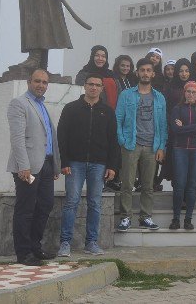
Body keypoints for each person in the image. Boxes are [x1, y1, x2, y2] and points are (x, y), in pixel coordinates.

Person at [57, 74, 120, 257]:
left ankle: (91, 243)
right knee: (71, 202)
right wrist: (64, 161)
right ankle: (65, 243)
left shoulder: (108, 112)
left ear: (101, 88)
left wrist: (112, 166)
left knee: (95, 203)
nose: (93, 87)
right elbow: (62, 136)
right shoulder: (71, 109)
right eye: (90, 84)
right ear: (84, 86)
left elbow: (113, 141)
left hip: (98, 164)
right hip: (74, 164)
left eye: (97, 85)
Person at [6, 69, 60, 266]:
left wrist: (55, 165)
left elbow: (49, 138)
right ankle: (23, 253)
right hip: (27, 168)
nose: (41, 85)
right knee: (25, 209)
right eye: (37, 81)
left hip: (45, 166)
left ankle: (35, 248)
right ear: (29, 82)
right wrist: (24, 166)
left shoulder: (42, 105)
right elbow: (17, 138)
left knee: (45, 205)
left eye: (45, 82)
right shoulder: (19, 103)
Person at [115, 58, 167, 232]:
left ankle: (146, 217)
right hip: (131, 144)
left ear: (153, 73)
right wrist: (122, 141)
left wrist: (161, 147)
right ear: (137, 72)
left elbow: (163, 124)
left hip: (152, 146)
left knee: (148, 185)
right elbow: (118, 120)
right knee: (127, 184)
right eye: (142, 70)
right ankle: (125, 217)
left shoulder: (159, 97)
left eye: (148, 70)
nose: (145, 73)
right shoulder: (127, 95)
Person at [169, 81, 196, 230]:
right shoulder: (177, 109)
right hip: (180, 149)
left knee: (192, 185)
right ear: (184, 93)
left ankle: (188, 219)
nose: (191, 94)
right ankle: (175, 218)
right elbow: (175, 129)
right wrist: (194, 127)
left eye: (194, 92)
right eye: (188, 91)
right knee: (179, 184)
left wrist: (185, 127)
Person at [161, 58, 192, 183]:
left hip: (191, 131)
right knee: (176, 163)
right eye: (181, 71)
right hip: (175, 131)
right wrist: (173, 122)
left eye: (186, 71)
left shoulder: (194, 87)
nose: (184, 74)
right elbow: (165, 108)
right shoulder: (169, 87)